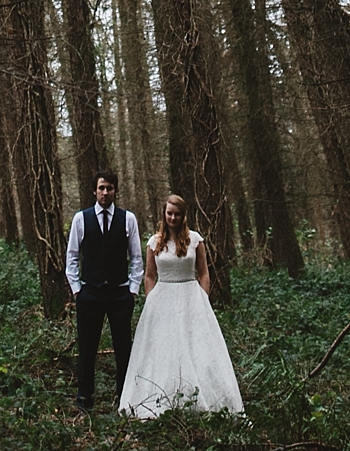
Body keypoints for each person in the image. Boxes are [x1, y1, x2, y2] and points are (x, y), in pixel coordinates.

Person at [118, 193, 243, 418]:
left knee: (196, 348)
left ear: (183, 215)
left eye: (177, 214)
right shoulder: (154, 242)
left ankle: (202, 399)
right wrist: (152, 299)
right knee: (163, 350)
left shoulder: (195, 240)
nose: (172, 218)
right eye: (169, 214)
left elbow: (204, 273)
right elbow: (149, 275)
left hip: (191, 297)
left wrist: (202, 298)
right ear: (163, 215)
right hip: (162, 299)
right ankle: (162, 399)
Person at [65, 170, 143, 412]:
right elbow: (72, 257)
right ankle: (84, 400)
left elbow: (137, 257)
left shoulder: (127, 219)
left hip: (120, 294)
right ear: (94, 191)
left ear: (115, 190)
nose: (105, 192)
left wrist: (132, 290)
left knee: (123, 348)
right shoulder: (81, 219)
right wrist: (78, 290)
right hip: (90, 294)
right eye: (101, 188)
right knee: (87, 348)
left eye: (109, 188)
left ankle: (124, 398)